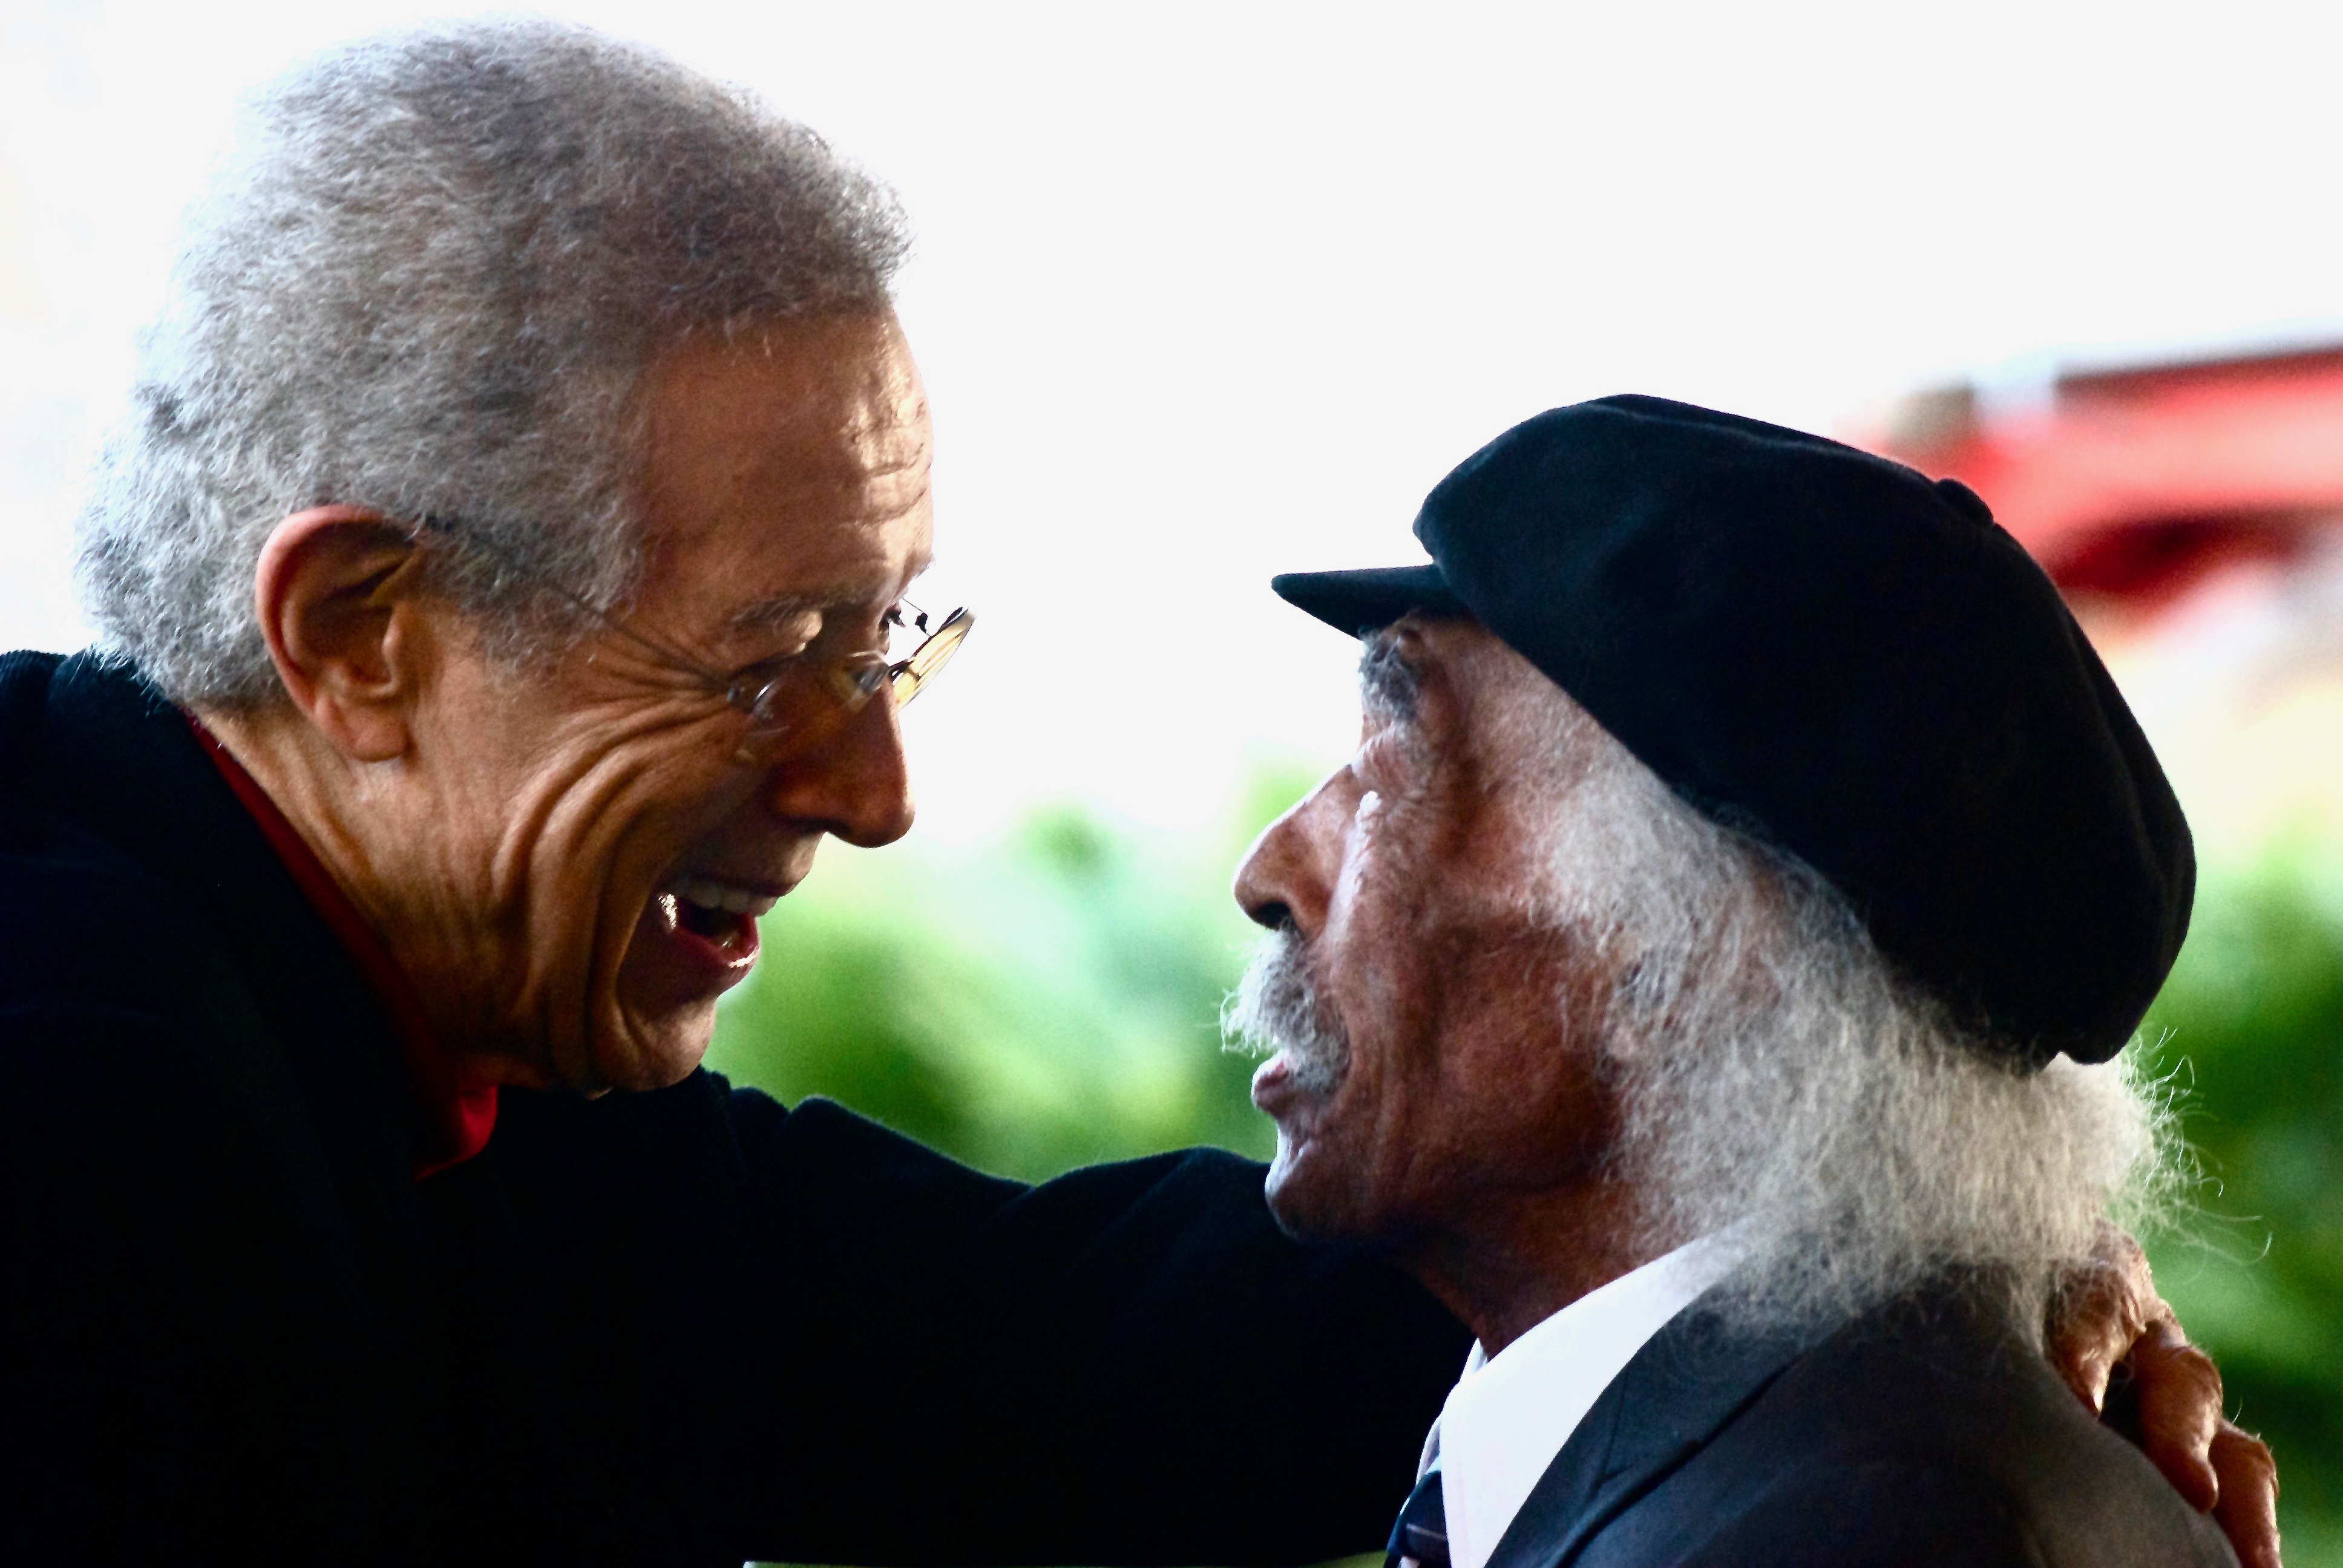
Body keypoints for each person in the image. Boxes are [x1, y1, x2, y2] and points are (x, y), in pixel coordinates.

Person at [0, 19, 2267, 1565]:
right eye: (773, 659)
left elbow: (1072, 1356)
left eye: (883, 644)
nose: (873, 793)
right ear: (363, 634)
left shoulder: (440, 1058)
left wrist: (1896, 1218)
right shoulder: (71, 1111)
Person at [1228, 396, 2281, 1568]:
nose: (1267, 872)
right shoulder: (1831, 1457)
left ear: (1690, 963)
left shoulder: (1871, 1529)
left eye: (1396, 763)